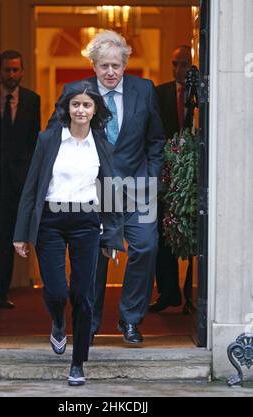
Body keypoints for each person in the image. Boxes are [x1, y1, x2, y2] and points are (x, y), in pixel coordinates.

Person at [47, 31, 165, 344]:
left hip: (136, 187)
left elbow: (155, 140)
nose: (110, 72)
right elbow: (52, 138)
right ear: (94, 67)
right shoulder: (76, 91)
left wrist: (151, 179)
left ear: (125, 64)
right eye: (104, 66)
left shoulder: (144, 89)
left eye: (116, 65)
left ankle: (130, 321)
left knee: (145, 247)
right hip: (91, 191)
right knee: (93, 257)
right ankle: (90, 322)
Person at [13, 81, 124, 386]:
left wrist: (113, 235)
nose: (80, 110)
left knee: (83, 295)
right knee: (57, 291)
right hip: (50, 219)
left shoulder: (102, 145)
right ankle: (59, 323)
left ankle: (78, 364)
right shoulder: (48, 139)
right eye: (75, 104)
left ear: (95, 110)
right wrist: (22, 232)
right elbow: (32, 186)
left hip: (87, 221)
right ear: (66, 107)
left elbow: (111, 191)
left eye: (87, 105)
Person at [148, 45, 192, 313]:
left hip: (192, 179)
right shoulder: (159, 92)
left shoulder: (202, 93)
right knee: (161, 233)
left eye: (184, 64)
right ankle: (167, 292)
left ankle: (192, 295)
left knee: (192, 236)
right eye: (175, 63)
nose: (178, 69)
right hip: (164, 177)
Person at [0, 50, 41, 309]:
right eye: (7, 70)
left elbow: (34, 140)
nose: (12, 74)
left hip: (19, 181)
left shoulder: (31, 100)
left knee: (12, 237)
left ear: (22, 71)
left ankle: (3, 293)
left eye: (16, 70)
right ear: (0, 70)